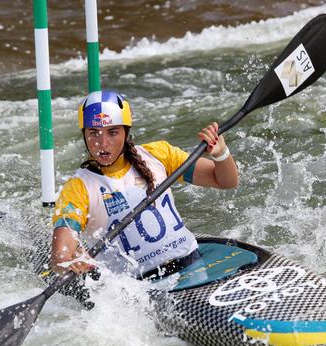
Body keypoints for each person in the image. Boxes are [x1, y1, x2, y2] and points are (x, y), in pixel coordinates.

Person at [51, 89, 238, 281]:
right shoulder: (78, 188)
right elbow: (60, 257)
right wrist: (71, 259)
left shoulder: (159, 154)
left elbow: (226, 181)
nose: (102, 143)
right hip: (139, 287)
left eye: (112, 132)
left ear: (126, 132)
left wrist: (221, 154)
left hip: (191, 263)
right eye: (94, 133)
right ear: (84, 135)